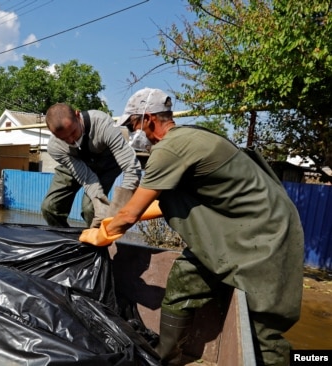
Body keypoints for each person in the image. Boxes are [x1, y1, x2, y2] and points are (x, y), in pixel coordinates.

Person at [99, 88, 304, 365]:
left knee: (263, 330)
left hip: (265, 231)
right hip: (231, 229)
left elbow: (131, 213)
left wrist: (100, 233)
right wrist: (115, 222)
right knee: (183, 280)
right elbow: (159, 204)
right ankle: (166, 357)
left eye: (133, 124)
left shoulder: (169, 149)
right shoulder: (185, 139)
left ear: (148, 119)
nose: (133, 132)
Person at [41, 103, 141, 228]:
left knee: (91, 209)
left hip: (106, 164)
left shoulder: (102, 124)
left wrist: (121, 206)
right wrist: (96, 195)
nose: (72, 140)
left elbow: (130, 165)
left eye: (73, 132)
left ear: (77, 116)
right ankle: (67, 243)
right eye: (64, 138)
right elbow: (85, 176)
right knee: (49, 208)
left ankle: (99, 243)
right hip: (75, 164)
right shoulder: (55, 147)